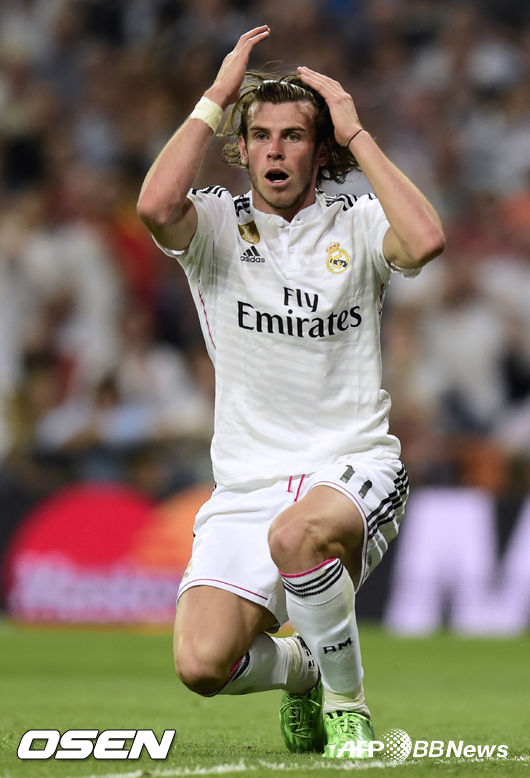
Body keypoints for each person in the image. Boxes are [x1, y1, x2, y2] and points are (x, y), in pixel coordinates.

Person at [137, 25, 445, 759]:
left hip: (353, 465)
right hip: (248, 484)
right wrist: (216, 96)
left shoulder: (359, 224)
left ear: (320, 151)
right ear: (242, 150)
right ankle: (307, 665)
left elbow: (426, 240)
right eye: (261, 136)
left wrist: (357, 131)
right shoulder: (217, 226)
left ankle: (347, 704)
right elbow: (154, 206)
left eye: (295, 136)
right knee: (202, 664)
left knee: (296, 537)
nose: (276, 150)